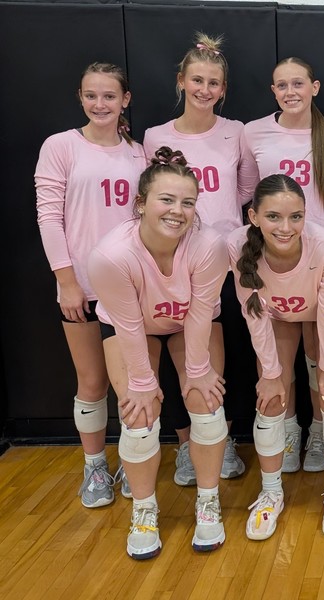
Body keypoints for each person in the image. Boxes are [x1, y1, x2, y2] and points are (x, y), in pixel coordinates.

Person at [89, 147, 229, 559]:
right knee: (139, 414)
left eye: (188, 202)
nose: (178, 211)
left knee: (205, 401)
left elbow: (202, 313)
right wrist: (141, 383)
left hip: (189, 324)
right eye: (167, 200)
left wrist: (199, 372)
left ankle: (208, 502)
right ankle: (145, 510)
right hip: (135, 327)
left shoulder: (210, 246)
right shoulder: (111, 256)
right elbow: (129, 326)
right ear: (141, 204)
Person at [143, 32, 256, 487]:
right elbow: (151, 198)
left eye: (213, 83)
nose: (205, 89)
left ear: (223, 89)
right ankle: (188, 445)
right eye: (197, 81)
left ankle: (221, 437)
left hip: (225, 262)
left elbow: (245, 188)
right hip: (172, 264)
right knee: (175, 359)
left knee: (219, 357)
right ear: (181, 82)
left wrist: (219, 226)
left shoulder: (236, 132)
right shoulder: (155, 136)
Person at [35, 62, 146, 508]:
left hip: (128, 286)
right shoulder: (61, 146)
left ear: (125, 100)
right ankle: (95, 467)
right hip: (81, 284)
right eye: (91, 95)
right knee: (92, 381)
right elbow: (48, 215)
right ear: (80, 97)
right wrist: (66, 279)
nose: (100, 104)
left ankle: (132, 462)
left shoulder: (139, 153)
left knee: (132, 382)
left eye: (109, 96)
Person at [243, 56, 324, 474]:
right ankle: (288, 428)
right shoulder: (252, 131)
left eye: (298, 84)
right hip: (273, 258)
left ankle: (318, 432)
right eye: (281, 85)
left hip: (322, 258)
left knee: (322, 358)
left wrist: (321, 214)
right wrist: (277, 224)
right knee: (273, 357)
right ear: (273, 91)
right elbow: (246, 188)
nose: (290, 92)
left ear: (315, 87)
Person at [229, 174, 324, 539]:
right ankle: (270, 494)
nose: (286, 228)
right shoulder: (237, 246)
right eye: (274, 217)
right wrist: (269, 373)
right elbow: (253, 312)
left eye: (296, 217)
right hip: (276, 314)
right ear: (253, 216)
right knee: (270, 396)